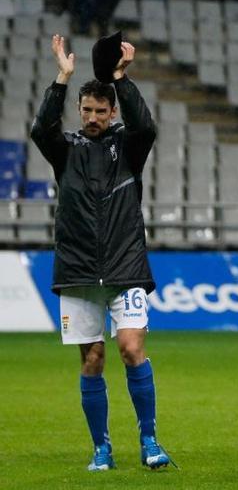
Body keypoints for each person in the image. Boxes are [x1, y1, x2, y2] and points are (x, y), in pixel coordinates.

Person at [30, 34, 170, 471]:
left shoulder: (128, 147)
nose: (92, 117)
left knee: (131, 348)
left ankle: (149, 440)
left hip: (125, 267)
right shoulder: (65, 150)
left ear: (112, 114)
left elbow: (146, 126)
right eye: (86, 110)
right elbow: (40, 129)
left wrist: (120, 80)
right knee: (92, 358)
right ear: (79, 110)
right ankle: (102, 448)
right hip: (77, 271)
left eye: (100, 111)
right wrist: (62, 78)